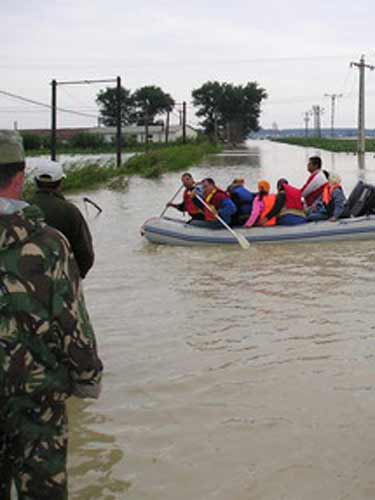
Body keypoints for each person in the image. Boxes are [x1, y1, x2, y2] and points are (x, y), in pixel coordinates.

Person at [0, 131, 103, 500]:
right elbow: (73, 321)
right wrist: (87, 375)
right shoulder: (49, 243)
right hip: (37, 391)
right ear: (19, 175)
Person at [30, 159, 94, 279]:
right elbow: (85, 254)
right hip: (62, 284)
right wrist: (75, 279)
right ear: (60, 183)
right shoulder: (70, 211)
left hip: (24, 283)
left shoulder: (22, 206)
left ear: (35, 181)